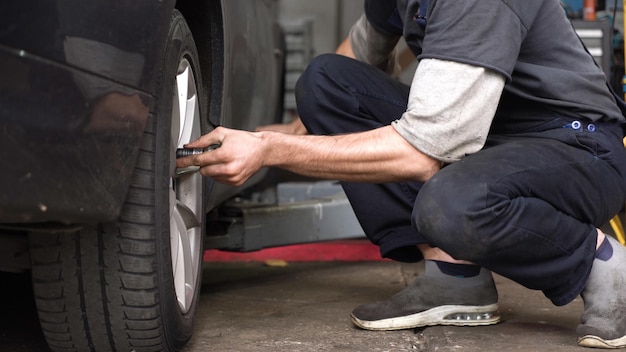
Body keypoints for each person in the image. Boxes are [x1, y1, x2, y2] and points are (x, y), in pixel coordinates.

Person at [177, 0, 626, 348]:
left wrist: (271, 151)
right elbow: (357, 56)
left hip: (575, 146)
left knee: (452, 205)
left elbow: (421, 154)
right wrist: (281, 133)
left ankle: (602, 266)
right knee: (326, 82)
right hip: (491, 137)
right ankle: (455, 277)